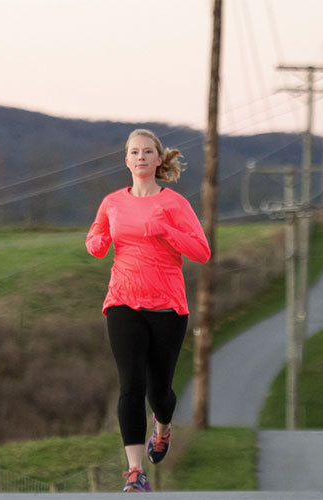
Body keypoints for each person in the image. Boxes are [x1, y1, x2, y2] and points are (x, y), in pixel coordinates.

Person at [85, 129, 210, 492]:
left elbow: (202, 252)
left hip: (168, 307)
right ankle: (135, 472)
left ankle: (163, 426)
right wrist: (97, 241)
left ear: (159, 160)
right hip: (123, 302)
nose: (140, 157)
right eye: (134, 152)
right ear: (126, 160)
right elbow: (94, 240)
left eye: (147, 152)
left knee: (159, 392)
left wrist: (167, 232)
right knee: (131, 386)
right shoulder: (111, 203)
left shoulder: (174, 204)